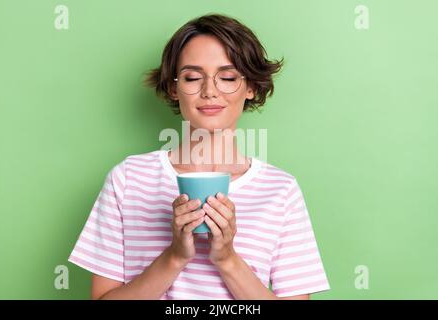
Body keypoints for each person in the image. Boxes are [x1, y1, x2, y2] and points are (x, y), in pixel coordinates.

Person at [68, 13, 330, 300]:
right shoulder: (128, 179)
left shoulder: (281, 190)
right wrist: (175, 256)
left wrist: (227, 259)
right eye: (193, 77)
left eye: (228, 77)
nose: (209, 91)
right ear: (173, 87)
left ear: (251, 87)